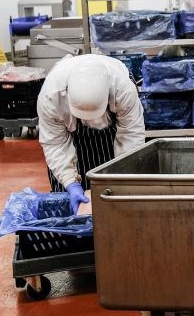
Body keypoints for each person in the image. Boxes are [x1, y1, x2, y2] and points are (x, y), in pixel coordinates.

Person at [37, 54, 145, 215]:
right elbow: (55, 143)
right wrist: (70, 183)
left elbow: (131, 135)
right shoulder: (51, 96)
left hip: (111, 139)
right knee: (69, 197)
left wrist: (122, 179)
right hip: (73, 139)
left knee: (114, 202)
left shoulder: (123, 89)